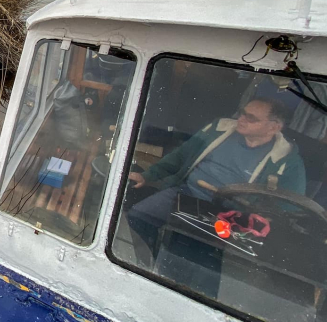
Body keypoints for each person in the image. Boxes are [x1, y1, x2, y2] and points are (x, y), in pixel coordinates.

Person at [126, 98, 306, 267]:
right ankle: (146, 263)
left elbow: (290, 206)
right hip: (187, 193)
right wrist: (148, 175)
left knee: (193, 252)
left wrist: (266, 218)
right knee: (139, 216)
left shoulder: (287, 160)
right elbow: (180, 156)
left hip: (231, 214)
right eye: (242, 113)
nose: (241, 119)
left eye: (251, 118)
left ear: (273, 127)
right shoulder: (218, 129)